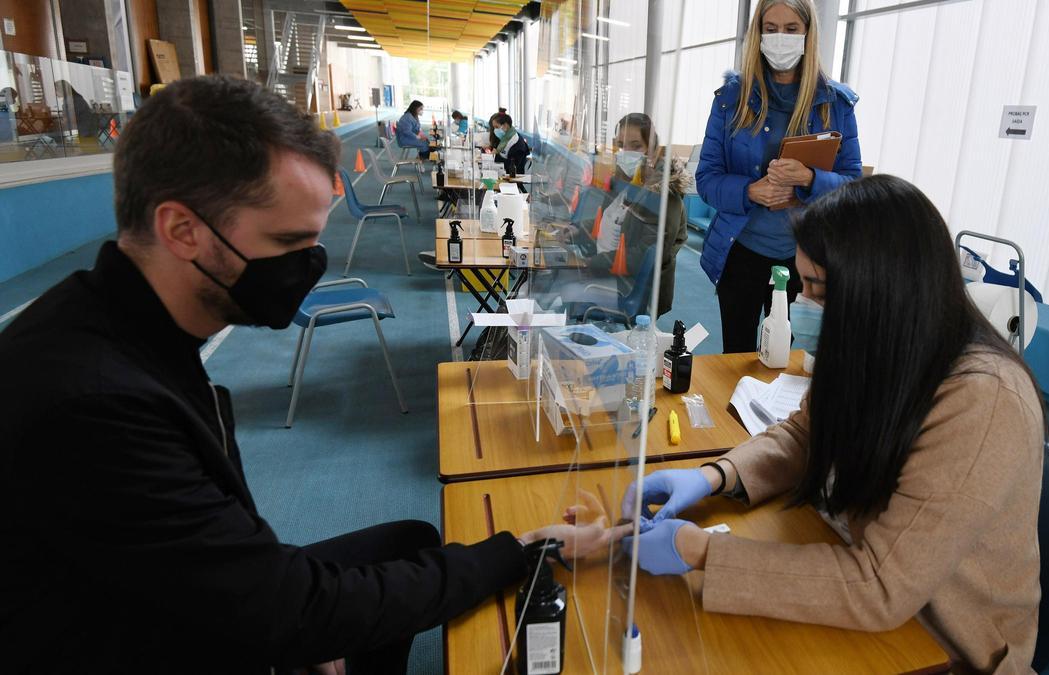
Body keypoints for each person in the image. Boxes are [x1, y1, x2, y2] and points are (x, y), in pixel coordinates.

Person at [0, 76, 542, 675]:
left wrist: (296, 613)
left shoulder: (125, 321)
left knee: (408, 545)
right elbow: (276, 613)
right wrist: (512, 552)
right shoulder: (88, 406)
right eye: (288, 242)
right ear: (183, 230)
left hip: (164, 598)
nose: (308, 266)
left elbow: (217, 552)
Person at [616, 175, 1048, 674]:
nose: (805, 301)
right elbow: (805, 434)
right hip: (867, 578)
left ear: (877, 290)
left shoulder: (983, 401)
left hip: (943, 646)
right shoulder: (883, 344)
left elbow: (879, 587)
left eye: (817, 288)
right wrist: (717, 475)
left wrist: (702, 550)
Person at [695, 0, 862, 353]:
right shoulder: (730, 99)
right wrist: (750, 191)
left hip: (802, 259)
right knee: (735, 357)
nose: (780, 38)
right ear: (757, 34)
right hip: (739, 251)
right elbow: (707, 179)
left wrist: (809, 179)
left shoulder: (835, 105)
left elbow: (853, 186)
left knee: (784, 360)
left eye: (790, 30)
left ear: (808, 34)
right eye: (770, 29)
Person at [573, 112, 690, 317]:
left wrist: (591, 264)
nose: (626, 152)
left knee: (561, 288)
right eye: (621, 144)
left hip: (628, 286)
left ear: (652, 152)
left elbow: (643, 254)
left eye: (636, 146)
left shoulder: (663, 195)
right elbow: (608, 221)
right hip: (605, 270)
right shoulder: (625, 182)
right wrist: (575, 230)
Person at [491, 113, 529, 177]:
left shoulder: (516, 142)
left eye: (496, 127)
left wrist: (496, 155)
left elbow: (512, 166)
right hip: (503, 174)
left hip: (513, 179)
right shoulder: (505, 138)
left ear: (505, 125)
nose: (495, 130)